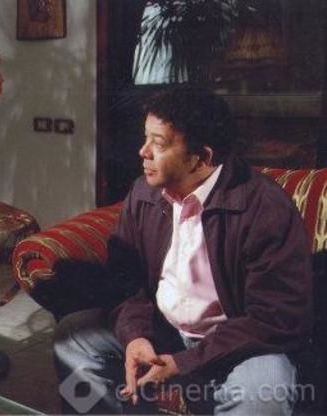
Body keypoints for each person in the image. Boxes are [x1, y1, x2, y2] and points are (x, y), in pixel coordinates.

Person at [54, 86, 313, 415]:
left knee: (265, 391)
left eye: (159, 144)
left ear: (201, 158)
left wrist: (185, 362)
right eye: (145, 138)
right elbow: (125, 282)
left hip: (239, 343)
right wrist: (135, 336)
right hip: (164, 329)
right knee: (73, 338)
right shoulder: (143, 194)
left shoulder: (264, 208)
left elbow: (273, 317)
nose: (143, 152)